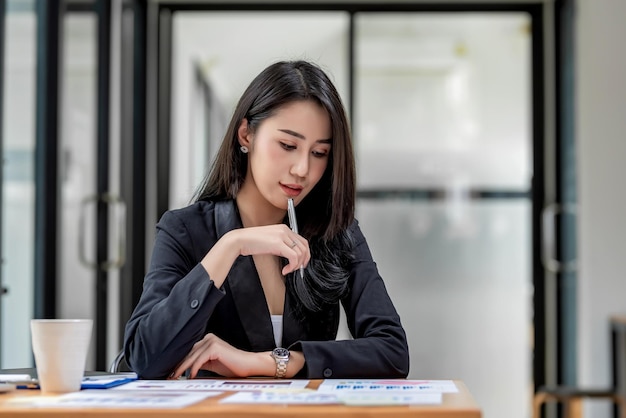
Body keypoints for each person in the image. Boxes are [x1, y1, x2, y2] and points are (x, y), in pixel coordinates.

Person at [123, 60, 410, 380]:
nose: (302, 168)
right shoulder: (185, 230)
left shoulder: (336, 233)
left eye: (319, 153)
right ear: (246, 135)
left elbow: (392, 351)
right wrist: (232, 245)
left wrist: (273, 362)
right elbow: (144, 359)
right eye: (288, 145)